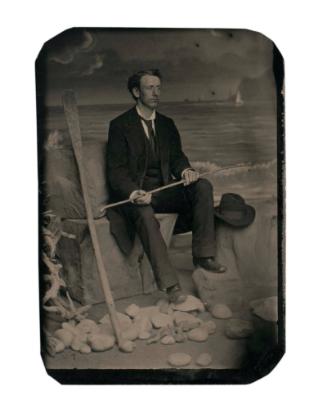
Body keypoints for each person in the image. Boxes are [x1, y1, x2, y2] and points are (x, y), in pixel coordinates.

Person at [107, 69, 226, 304]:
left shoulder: (167, 124)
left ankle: (203, 255)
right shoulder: (119, 125)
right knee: (144, 212)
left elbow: (177, 157)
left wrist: (186, 171)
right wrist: (133, 192)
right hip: (135, 197)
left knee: (203, 187)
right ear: (135, 92)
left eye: (158, 87)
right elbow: (116, 171)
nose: (156, 92)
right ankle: (170, 285)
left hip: (161, 192)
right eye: (150, 87)